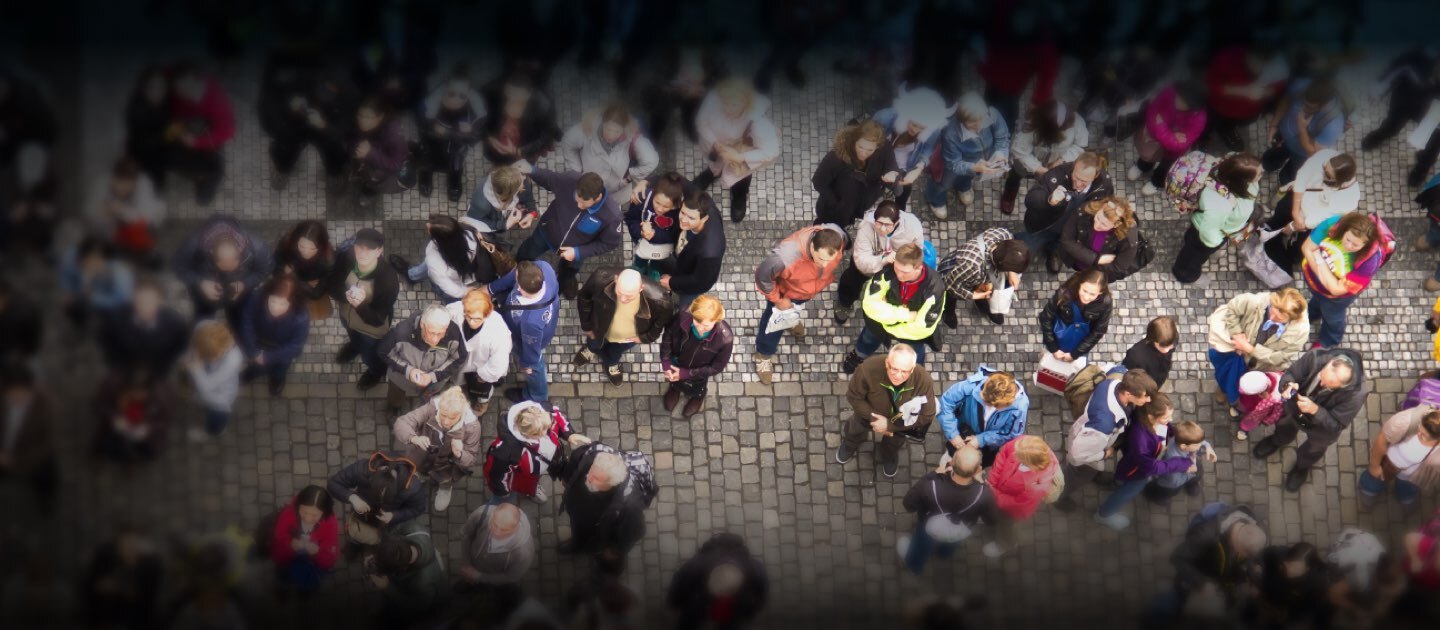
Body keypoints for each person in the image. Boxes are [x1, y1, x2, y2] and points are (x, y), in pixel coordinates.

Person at [1252, 348, 1367, 492]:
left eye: (1329, 386)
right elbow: (1291, 374)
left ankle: (1302, 466)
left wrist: (1316, 411)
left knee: (1314, 449)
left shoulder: (1355, 396)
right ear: (1328, 363)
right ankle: (1277, 441)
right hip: (1294, 409)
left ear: (1343, 386)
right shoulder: (1316, 357)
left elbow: (1336, 425)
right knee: (1284, 426)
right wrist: (1288, 385)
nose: (1322, 385)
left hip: (1321, 429)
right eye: (1322, 379)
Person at [753, 224, 846, 385]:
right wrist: (779, 300)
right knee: (772, 325)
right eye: (821, 259)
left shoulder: (837, 236)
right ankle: (763, 353)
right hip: (785, 294)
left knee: (793, 310)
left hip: (804, 291)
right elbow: (763, 278)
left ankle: (790, 321)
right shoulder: (784, 258)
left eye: (829, 260)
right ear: (812, 246)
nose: (824, 265)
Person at [513, 167, 624, 300]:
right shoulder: (569, 180)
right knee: (528, 251)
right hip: (546, 232)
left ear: (598, 197)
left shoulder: (612, 216)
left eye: (584, 204)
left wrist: (578, 252)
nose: (579, 206)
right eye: (577, 200)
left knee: (570, 270)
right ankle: (517, 268)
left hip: (577, 249)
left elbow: (609, 243)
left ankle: (564, 282)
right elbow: (548, 178)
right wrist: (530, 169)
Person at [1054, 368, 1157, 513]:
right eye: (1145, 396)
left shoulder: (1115, 380)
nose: (1149, 400)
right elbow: (1079, 454)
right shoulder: (1104, 424)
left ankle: (1096, 475)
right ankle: (1058, 494)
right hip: (1087, 452)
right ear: (1128, 394)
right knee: (1077, 475)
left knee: (1092, 469)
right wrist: (1104, 454)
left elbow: (1117, 369)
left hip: (1094, 439)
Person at [1093, 393, 1196, 530]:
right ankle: (1103, 514)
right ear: (1151, 416)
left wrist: (1179, 434)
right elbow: (1152, 467)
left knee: (1123, 481)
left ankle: (1118, 482)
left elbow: (1167, 429)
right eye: (1166, 417)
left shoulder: (1145, 417)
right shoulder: (1140, 442)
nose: (1170, 420)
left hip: (1133, 465)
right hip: (1136, 472)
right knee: (1127, 492)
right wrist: (1183, 464)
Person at [836, 345, 937, 478]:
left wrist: (889, 426)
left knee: (894, 442)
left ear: (912, 369)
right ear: (887, 363)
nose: (898, 376)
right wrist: (874, 419)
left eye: (904, 371)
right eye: (894, 369)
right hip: (868, 413)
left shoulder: (923, 380)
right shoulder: (867, 369)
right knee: (855, 429)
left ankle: (889, 455)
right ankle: (850, 443)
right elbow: (854, 397)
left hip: (900, 423)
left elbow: (927, 415)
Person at [257, 53, 355, 190]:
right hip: (294, 123)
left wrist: (326, 126)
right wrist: (288, 109)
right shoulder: (294, 75)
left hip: (327, 127)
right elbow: (268, 109)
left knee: (333, 148)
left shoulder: (349, 94)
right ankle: (282, 166)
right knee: (286, 146)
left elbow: (348, 127)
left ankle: (335, 170)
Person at [897, 445, 1000, 574]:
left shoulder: (929, 484)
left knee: (922, 546)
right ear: (979, 469)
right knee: (950, 541)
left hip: (929, 528)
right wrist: (982, 485)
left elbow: (909, 505)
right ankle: (944, 553)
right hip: (959, 529)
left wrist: (934, 474)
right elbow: (991, 520)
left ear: (951, 462)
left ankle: (915, 565)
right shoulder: (984, 494)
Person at [1207, 289, 1311, 415]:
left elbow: (1282, 357)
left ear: (1292, 318)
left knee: (1250, 386)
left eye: (1279, 318)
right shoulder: (1254, 301)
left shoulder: (1300, 332)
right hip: (1236, 355)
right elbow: (1232, 310)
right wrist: (1237, 333)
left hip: (1261, 365)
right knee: (1227, 375)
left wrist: (1250, 349)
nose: (1272, 318)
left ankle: (1238, 399)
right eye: (1272, 310)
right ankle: (1224, 390)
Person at [844, 243, 944, 372]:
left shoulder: (935, 288)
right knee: (867, 340)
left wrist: (886, 318)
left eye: (904, 272)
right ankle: (859, 355)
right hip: (884, 325)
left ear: (919, 268)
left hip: (904, 332)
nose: (898, 275)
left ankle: (914, 371)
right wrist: (907, 316)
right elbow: (870, 305)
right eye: (897, 268)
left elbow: (923, 328)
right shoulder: (888, 271)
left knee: (915, 355)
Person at [693, 78, 781, 222]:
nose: (728, 108)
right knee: (714, 164)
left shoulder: (756, 120)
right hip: (716, 146)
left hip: (740, 152)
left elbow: (771, 151)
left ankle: (739, 194)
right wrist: (716, 143)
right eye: (725, 102)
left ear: (746, 102)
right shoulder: (713, 99)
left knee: (740, 177)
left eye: (734, 103)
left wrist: (739, 157)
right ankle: (710, 174)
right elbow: (701, 122)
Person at [574, 267, 676, 386]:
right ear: (616, 280)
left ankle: (611, 364)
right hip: (599, 329)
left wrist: (645, 338)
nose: (622, 299)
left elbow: (660, 325)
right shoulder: (600, 279)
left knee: (615, 353)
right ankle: (590, 350)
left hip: (627, 339)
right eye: (619, 293)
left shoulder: (661, 301)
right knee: (593, 343)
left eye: (628, 296)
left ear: (640, 289)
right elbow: (584, 298)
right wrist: (587, 326)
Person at [1262, 151, 1361, 273]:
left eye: (1328, 175)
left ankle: (1289, 258)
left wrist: (1294, 226)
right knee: (1281, 213)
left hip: (1310, 222)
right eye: (1325, 167)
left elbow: (1320, 219)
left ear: (1339, 181)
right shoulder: (1325, 155)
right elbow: (1302, 176)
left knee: (1300, 248)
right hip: (1299, 199)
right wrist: (1295, 211)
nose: (1323, 172)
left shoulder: (1349, 199)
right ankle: (1270, 230)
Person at [550, 442, 650, 563]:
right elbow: (576, 457)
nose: (589, 477)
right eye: (591, 470)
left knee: (596, 550)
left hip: (598, 532)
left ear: (612, 483)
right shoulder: (591, 455)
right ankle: (575, 544)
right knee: (578, 533)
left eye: (597, 478)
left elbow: (636, 530)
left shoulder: (629, 505)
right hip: (577, 517)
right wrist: (567, 478)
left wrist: (616, 550)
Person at [1172, 152, 1264, 283]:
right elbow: (1207, 232)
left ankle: (1189, 242)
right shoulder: (1219, 203)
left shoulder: (1233, 163)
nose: (1262, 174)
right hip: (1205, 234)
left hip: (1216, 225)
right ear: (1242, 181)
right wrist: (1215, 243)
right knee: (1194, 254)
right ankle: (1184, 273)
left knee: (1192, 243)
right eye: (1259, 174)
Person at [329, 228, 400, 392]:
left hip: (370, 329)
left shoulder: (388, 280)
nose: (363, 253)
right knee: (352, 334)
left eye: (370, 249)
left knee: (370, 353)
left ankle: (376, 372)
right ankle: (354, 346)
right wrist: (345, 296)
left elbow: (377, 319)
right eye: (359, 247)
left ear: (379, 251)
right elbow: (332, 284)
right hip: (346, 315)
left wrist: (359, 305)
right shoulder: (346, 258)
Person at [1301, 212, 1387, 347]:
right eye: (1347, 239)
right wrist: (1327, 279)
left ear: (1366, 244)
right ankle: (1312, 314)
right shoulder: (1333, 223)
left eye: (1356, 245)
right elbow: (1306, 248)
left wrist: (1318, 258)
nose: (1349, 246)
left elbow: (1336, 290)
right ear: (1344, 229)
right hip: (1316, 285)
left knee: (1333, 317)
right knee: (1317, 301)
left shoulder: (1370, 260)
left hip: (1336, 299)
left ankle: (1328, 341)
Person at [1020, 152, 1115, 273]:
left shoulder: (1104, 183)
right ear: (1073, 167)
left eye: (1084, 182)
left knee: (1062, 243)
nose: (1077, 185)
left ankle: (1055, 251)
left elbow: (1108, 202)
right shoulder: (1057, 173)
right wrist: (1049, 200)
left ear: (1095, 175)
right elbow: (1030, 199)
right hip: (1047, 224)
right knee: (1024, 249)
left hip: (1075, 229)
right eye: (1076, 177)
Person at [171, 214, 272, 327]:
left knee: (238, 322)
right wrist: (200, 283)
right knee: (203, 322)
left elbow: (263, 271)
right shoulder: (192, 244)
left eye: (234, 266)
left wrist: (244, 284)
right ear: (211, 253)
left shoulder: (258, 248)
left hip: (239, 295)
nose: (229, 271)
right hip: (204, 296)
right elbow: (178, 267)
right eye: (224, 266)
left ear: (240, 252)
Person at [393, 386, 484, 512]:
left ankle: (445, 487)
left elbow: (471, 457)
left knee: (446, 478)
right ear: (439, 408)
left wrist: (459, 454)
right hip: (422, 456)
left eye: (452, 417)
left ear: (461, 414)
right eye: (443, 415)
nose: (446, 422)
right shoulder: (430, 408)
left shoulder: (472, 427)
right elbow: (402, 423)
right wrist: (414, 438)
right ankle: (421, 475)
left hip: (447, 465)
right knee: (418, 468)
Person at [1168, 504, 1268, 617]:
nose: (1250, 558)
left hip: (1224, 577)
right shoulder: (1204, 535)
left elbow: (1255, 552)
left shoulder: (1254, 526)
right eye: (1247, 555)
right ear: (1238, 548)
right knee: (1176, 599)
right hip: (1202, 573)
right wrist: (1201, 582)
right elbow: (1178, 557)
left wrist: (1255, 571)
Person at [833, 201, 924, 325]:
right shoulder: (866, 227)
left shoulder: (912, 227)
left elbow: (917, 251)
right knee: (851, 282)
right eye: (879, 223)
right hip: (868, 266)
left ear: (896, 222)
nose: (882, 229)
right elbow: (861, 260)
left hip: (896, 268)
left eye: (887, 225)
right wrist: (882, 260)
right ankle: (845, 303)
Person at [484, 400, 588, 504]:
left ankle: (534, 486)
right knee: (528, 483)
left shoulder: (544, 411)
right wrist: (502, 492)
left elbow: (557, 415)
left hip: (544, 460)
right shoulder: (505, 452)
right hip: (526, 476)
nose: (547, 431)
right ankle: (531, 491)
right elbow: (496, 475)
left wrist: (569, 434)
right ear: (529, 434)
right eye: (543, 430)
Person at [927, 91, 1010, 219]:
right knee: (943, 183)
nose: (979, 126)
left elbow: (1002, 137)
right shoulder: (951, 134)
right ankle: (936, 201)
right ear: (962, 120)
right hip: (956, 163)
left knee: (968, 177)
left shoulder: (992, 114)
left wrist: (1000, 153)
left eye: (981, 118)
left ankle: (963, 187)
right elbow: (953, 163)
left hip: (980, 160)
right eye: (972, 122)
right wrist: (974, 167)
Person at [869, 85, 952, 210]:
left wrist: (917, 170)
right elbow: (868, 139)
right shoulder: (884, 118)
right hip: (878, 162)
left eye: (922, 127)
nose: (915, 129)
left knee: (902, 195)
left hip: (904, 169)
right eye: (913, 123)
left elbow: (927, 150)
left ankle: (899, 214)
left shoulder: (933, 131)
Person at [1002, 100, 1089, 215]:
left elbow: (1080, 146)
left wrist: (1061, 161)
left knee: (1052, 184)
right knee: (1016, 175)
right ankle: (1010, 193)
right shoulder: (1032, 123)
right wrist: (1038, 168)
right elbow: (1019, 150)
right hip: (1027, 162)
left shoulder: (1077, 122)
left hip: (1056, 163)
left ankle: (1045, 201)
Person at [378, 304, 469, 414]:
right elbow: (383, 352)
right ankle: (393, 407)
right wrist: (408, 370)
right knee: (395, 396)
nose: (435, 339)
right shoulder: (401, 332)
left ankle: (425, 402)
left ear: (446, 327)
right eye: (431, 332)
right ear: (422, 324)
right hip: (401, 379)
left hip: (435, 381)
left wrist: (434, 376)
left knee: (430, 394)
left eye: (440, 333)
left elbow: (459, 358)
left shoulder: (454, 334)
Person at [666, 533, 769, 630]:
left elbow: (681, 583)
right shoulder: (752, 566)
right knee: (731, 623)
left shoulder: (699, 562)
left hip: (700, 602)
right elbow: (761, 590)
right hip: (736, 604)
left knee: (689, 621)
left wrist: (675, 602)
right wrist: (751, 610)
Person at [166, 64, 235, 204]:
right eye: (179, 89)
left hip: (206, 140)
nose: (183, 92)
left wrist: (197, 142)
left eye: (187, 88)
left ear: (197, 80)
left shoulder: (216, 100)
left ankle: (204, 195)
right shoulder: (178, 90)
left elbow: (227, 132)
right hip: (182, 131)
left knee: (213, 173)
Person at [404, 215, 514, 302]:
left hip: (444, 276)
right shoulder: (469, 234)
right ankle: (412, 275)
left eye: (430, 230)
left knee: (430, 273)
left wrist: (464, 292)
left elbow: (448, 286)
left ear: (441, 241)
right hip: (459, 272)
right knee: (424, 268)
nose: (427, 226)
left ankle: (411, 275)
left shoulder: (434, 260)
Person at [811, 119, 899, 228]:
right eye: (860, 147)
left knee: (845, 222)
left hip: (860, 203)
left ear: (877, 147)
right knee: (826, 226)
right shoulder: (836, 157)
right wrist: (834, 201)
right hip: (834, 207)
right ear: (854, 141)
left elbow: (892, 169)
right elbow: (818, 181)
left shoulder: (884, 148)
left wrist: (892, 175)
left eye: (869, 150)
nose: (863, 153)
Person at [936, 368, 1029, 467]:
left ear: (1007, 403)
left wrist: (981, 440)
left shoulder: (1019, 408)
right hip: (964, 431)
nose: (986, 405)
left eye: (993, 405)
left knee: (985, 461)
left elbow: (1011, 433)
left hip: (990, 446)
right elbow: (946, 403)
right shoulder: (972, 386)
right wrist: (953, 435)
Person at [417, 64, 483, 201]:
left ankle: (454, 181)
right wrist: (432, 128)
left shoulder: (476, 112)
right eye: (451, 93)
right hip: (432, 144)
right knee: (427, 160)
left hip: (457, 147)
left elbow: (479, 133)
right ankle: (426, 176)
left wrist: (468, 133)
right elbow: (421, 123)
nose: (455, 100)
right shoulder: (430, 103)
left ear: (469, 94)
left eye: (462, 96)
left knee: (456, 165)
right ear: (445, 88)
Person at [659, 295, 733, 419]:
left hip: (698, 371)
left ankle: (698, 396)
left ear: (717, 320)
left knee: (698, 386)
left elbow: (716, 367)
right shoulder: (682, 316)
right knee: (674, 380)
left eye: (706, 326)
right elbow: (668, 336)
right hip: (677, 361)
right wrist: (666, 363)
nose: (700, 329)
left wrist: (685, 374)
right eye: (697, 322)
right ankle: (674, 389)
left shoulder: (725, 339)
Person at [562, 103, 659, 197]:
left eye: (617, 131)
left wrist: (629, 178)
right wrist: (577, 172)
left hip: (614, 193)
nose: (611, 135)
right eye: (608, 129)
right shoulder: (587, 130)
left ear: (624, 128)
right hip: (586, 189)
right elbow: (568, 141)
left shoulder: (632, 138)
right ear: (602, 123)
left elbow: (651, 161)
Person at [938, 228, 1029, 328]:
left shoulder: (1004, 234)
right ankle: (948, 312)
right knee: (950, 297)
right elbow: (950, 286)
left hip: (979, 275)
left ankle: (982, 303)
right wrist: (974, 295)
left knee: (984, 287)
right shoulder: (972, 267)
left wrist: (1012, 272)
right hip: (955, 274)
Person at [985, 436, 1059, 558]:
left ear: (1031, 464)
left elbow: (1017, 504)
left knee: (1005, 527)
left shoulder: (1038, 484)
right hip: (998, 491)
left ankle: (1006, 545)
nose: (1014, 453)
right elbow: (1004, 454)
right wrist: (993, 481)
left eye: (1018, 456)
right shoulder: (1024, 444)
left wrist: (994, 493)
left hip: (1011, 511)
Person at [1263, 78, 1347, 186]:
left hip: (1301, 153)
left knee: (1291, 174)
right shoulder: (1302, 84)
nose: (1303, 107)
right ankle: (1267, 165)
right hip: (1283, 137)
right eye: (1303, 102)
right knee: (1273, 157)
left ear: (1324, 106)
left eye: (1309, 107)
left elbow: (1313, 152)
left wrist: (1302, 127)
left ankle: (1284, 186)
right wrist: (1274, 124)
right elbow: (1286, 100)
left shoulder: (1333, 125)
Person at [497, 261, 560, 405]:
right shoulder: (544, 268)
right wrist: (491, 288)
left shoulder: (531, 322)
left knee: (535, 367)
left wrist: (527, 364)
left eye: (516, 279)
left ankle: (536, 395)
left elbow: (531, 349)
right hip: (542, 329)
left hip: (524, 339)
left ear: (520, 288)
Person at [1204, 44, 1288, 152]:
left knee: (1242, 122)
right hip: (1223, 108)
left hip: (1251, 111)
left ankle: (1232, 128)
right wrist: (1242, 91)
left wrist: (1268, 91)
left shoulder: (1280, 67)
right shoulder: (1226, 57)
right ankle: (1227, 133)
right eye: (1257, 65)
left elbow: (1281, 89)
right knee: (1224, 124)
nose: (1260, 73)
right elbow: (1210, 84)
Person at [1128, 82, 1207, 196]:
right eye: (1178, 96)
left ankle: (1157, 182)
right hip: (1154, 140)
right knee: (1148, 155)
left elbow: (1178, 146)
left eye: (1181, 101)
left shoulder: (1199, 119)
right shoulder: (1169, 92)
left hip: (1172, 151)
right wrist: (1172, 135)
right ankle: (1142, 166)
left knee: (1166, 166)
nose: (1176, 100)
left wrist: (1161, 126)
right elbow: (1152, 114)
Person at [97, 279, 188, 377]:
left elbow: (179, 347)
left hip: (159, 369)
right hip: (124, 366)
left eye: (150, 301)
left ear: (159, 302)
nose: (144, 306)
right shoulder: (117, 319)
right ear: (134, 300)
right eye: (141, 301)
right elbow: (106, 340)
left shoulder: (174, 324)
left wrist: (164, 366)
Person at [236, 275, 310, 397]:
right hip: (259, 343)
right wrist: (254, 351)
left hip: (281, 349)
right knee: (255, 365)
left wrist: (267, 357)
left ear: (291, 303)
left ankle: (277, 380)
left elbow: (295, 345)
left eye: (282, 303)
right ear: (268, 296)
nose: (276, 308)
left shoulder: (301, 317)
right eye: (273, 301)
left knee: (279, 369)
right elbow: (246, 321)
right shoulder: (257, 296)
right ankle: (253, 372)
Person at [1359, 406, 1440, 514]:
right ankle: (1368, 496)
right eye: (1420, 428)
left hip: (1412, 475)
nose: (1418, 433)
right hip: (1387, 463)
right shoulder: (1405, 421)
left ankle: (1406, 500)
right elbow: (1382, 440)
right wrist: (1374, 466)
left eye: (1424, 435)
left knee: (1407, 491)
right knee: (1372, 483)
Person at [326, 450, 428, 535]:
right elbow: (333, 484)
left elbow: (417, 508)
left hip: (388, 520)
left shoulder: (413, 488)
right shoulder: (361, 470)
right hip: (360, 510)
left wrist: (394, 516)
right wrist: (352, 498)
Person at [0, 365, 56, 516]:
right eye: (11, 395)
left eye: (22, 395)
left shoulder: (44, 407)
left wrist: (15, 460)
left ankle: (45, 499)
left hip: (29, 457)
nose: (16, 400)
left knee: (47, 474)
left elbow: (46, 445)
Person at [445, 289, 511, 416]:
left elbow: (498, 364)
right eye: (467, 317)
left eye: (476, 319)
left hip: (480, 367)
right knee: (457, 381)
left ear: (487, 315)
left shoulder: (498, 330)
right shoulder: (457, 309)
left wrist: (483, 375)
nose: (471, 322)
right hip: (458, 361)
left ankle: (482, 401)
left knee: (482, 389)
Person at [80, 529, 164, 630]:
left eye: (132, 545)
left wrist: (120, 587)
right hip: (107, 615)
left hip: (136, 618)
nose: (127, 548)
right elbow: (92, 585)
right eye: (124, 544)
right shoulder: (107, 558)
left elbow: (144, 598)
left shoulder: (150, 566)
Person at [85, 158, 165, 262]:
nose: (122, 189)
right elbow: (89, 211)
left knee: (139, 231)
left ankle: (144, 255)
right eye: (119, 183)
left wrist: (122, 210)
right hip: (108, 232)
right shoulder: (103, 182)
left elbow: (147, 217)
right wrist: (105, 211)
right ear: (113, 178)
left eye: (127, 185)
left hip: (138, 231)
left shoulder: (143, 184)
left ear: (133, 182)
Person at [369, 524, 449, 627]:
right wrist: (378, 557)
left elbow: (416, 605)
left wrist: (388, 587)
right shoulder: (414, 529)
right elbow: (393, 530)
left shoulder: (423, 583)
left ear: (403, 568)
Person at [268, 485, 340, 596]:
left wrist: (317, 552)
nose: (307, 519)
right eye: (304, 512)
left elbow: (329, 559)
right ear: (298, 507)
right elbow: (279, 537)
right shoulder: (289, 513)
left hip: (310, 563)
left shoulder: (331, 525)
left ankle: (304, 589)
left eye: (314, 515)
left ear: (324, 513)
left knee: (306, 583)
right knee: (283, 574)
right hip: (287, 559)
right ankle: (284, 584)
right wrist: (289, 544)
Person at [478, 70, 560, 166]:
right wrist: (490, 138)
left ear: (529, 94)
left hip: (524, 153)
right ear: (505, 90)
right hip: (497, 152)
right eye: (510, 93)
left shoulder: (542, 108)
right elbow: (481, 122)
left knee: (522, 171)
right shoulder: (495, 101)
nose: (514, 99)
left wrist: (519, 151)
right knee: (499, 167)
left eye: (519, 96)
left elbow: (546, 136)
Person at [663, 190, 726, 310]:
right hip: (683, 260)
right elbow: (681, 181)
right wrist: (645, 182)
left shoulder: (710, 252)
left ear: (704, 218)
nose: (683, 220)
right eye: (682, 212)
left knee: (685, 309)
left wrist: (671, 283)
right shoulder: (701, 204)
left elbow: (699, 280)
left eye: (691, 217)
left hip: (694, 283)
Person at [92, 371, 173, 464]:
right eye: (133, 391)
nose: (136, 396)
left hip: (145, 435)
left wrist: (149, 428)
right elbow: (99, 405)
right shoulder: (113, 387)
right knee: (107, 444)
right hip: (117, 427)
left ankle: (130, 460)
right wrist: (113, 418)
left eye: (141, 392)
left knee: (143, 452)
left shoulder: (162, 399)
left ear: (149, 389)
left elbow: (165, 421)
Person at [1055, 196, 1141, 282]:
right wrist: (1095, 259)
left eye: (1104, 224)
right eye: (1097, 218)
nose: (1097, 225)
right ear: (1099, 209)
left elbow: (1118, 268)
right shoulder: (1085, 210)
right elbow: (1067, 239)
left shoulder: (1128, 239)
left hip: (1097, 272)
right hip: (1075, 258)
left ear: (1116, 225)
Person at [183, 319, 244, 439]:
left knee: (216, 418)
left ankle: (213, 431)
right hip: (204, 389)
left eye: (214, 356)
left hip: (220, 399)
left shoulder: (233, 359)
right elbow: (194, 345)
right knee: (204, 405)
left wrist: (196, 368)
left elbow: (207, 387)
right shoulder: (203, 327)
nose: (213, 360)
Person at [1038, 269, 1113, 363]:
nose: (1086, 297)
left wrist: (1075, 354)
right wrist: (1053, 348)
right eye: (1084, 291)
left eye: (1092, 294)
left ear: (1100, 292)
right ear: (1080, 284)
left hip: (1080, 343)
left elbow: (1098, 331)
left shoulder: (1105, 303)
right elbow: (1046, 317)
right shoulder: (1064, 293)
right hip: (1056, 339)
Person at [348, 97, 413, 205]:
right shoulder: (362, 125)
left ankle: (371, 189)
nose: (362, 120)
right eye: (360, 115)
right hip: (372, 154)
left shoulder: (394, 134)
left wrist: (370, 153)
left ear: (380, 117)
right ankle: (365, 178)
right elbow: (353, 138)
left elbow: (396, 164)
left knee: (375, 176)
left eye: (368, 117)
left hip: (385, 167)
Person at [58, 238, 135, 329]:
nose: (89, 267)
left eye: (95, 262)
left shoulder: (121, 274)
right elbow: (71, 277)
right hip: (97, 295)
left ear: (104, 260)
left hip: (118, 306)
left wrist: (93, 297)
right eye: (85, 263)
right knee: (73, 304)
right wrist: (69, 292)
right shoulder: (75, 257)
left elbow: (123, 303)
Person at [459, 501, 535, 590]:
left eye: (504, 530)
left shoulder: (524, 552)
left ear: (516, 527)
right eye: (494, 524)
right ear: (492, 515)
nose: (497, 532)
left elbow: (511, 577)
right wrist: (467, 564)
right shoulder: (481, 514)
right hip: (473, 565)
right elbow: (466, 536)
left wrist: (479, 577)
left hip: (495, 579)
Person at [624, 171, 686, 280]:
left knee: (657, 262)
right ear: (653, 193)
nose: (660, 209)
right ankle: (639, 266)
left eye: (666, 206)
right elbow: (631, 219)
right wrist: (640, 231)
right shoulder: (641, 198)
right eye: (657, 202)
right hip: (642, 243)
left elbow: (674, 235)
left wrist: (654, 235)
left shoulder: (679, 212)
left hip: (662, 249)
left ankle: (654, 269)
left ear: (674, 204)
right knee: (640, 259)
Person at [1251, 542, 1328, 628]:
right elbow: (1263, 555)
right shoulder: (1280, 553)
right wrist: (1257, 568)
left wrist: (1288, 615)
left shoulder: (1313, 583)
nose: (1290, 570)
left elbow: (1308, 608)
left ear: (1307, 569)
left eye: (1296, 568)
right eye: (1289, 564)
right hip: (1265, 591)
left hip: (1283, 610)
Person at [273, 220, 334, 320]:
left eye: (312, 249)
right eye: (301, 246)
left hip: (301, 286)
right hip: (299, 286)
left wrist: (291, 275)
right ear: (296, 240)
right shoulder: (287, 243)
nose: (306, 252)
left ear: (321, 247)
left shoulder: (328, 260)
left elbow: (316, 294)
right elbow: (275, 268)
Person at [124, 66, 172, 188]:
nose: (157, 92)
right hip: (142, 154)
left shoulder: (165, 102)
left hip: (160, 149)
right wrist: (165, 135)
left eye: (161, 87)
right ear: (143, 88)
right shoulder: (137, 109)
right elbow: (140, 141)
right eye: (152, 87)